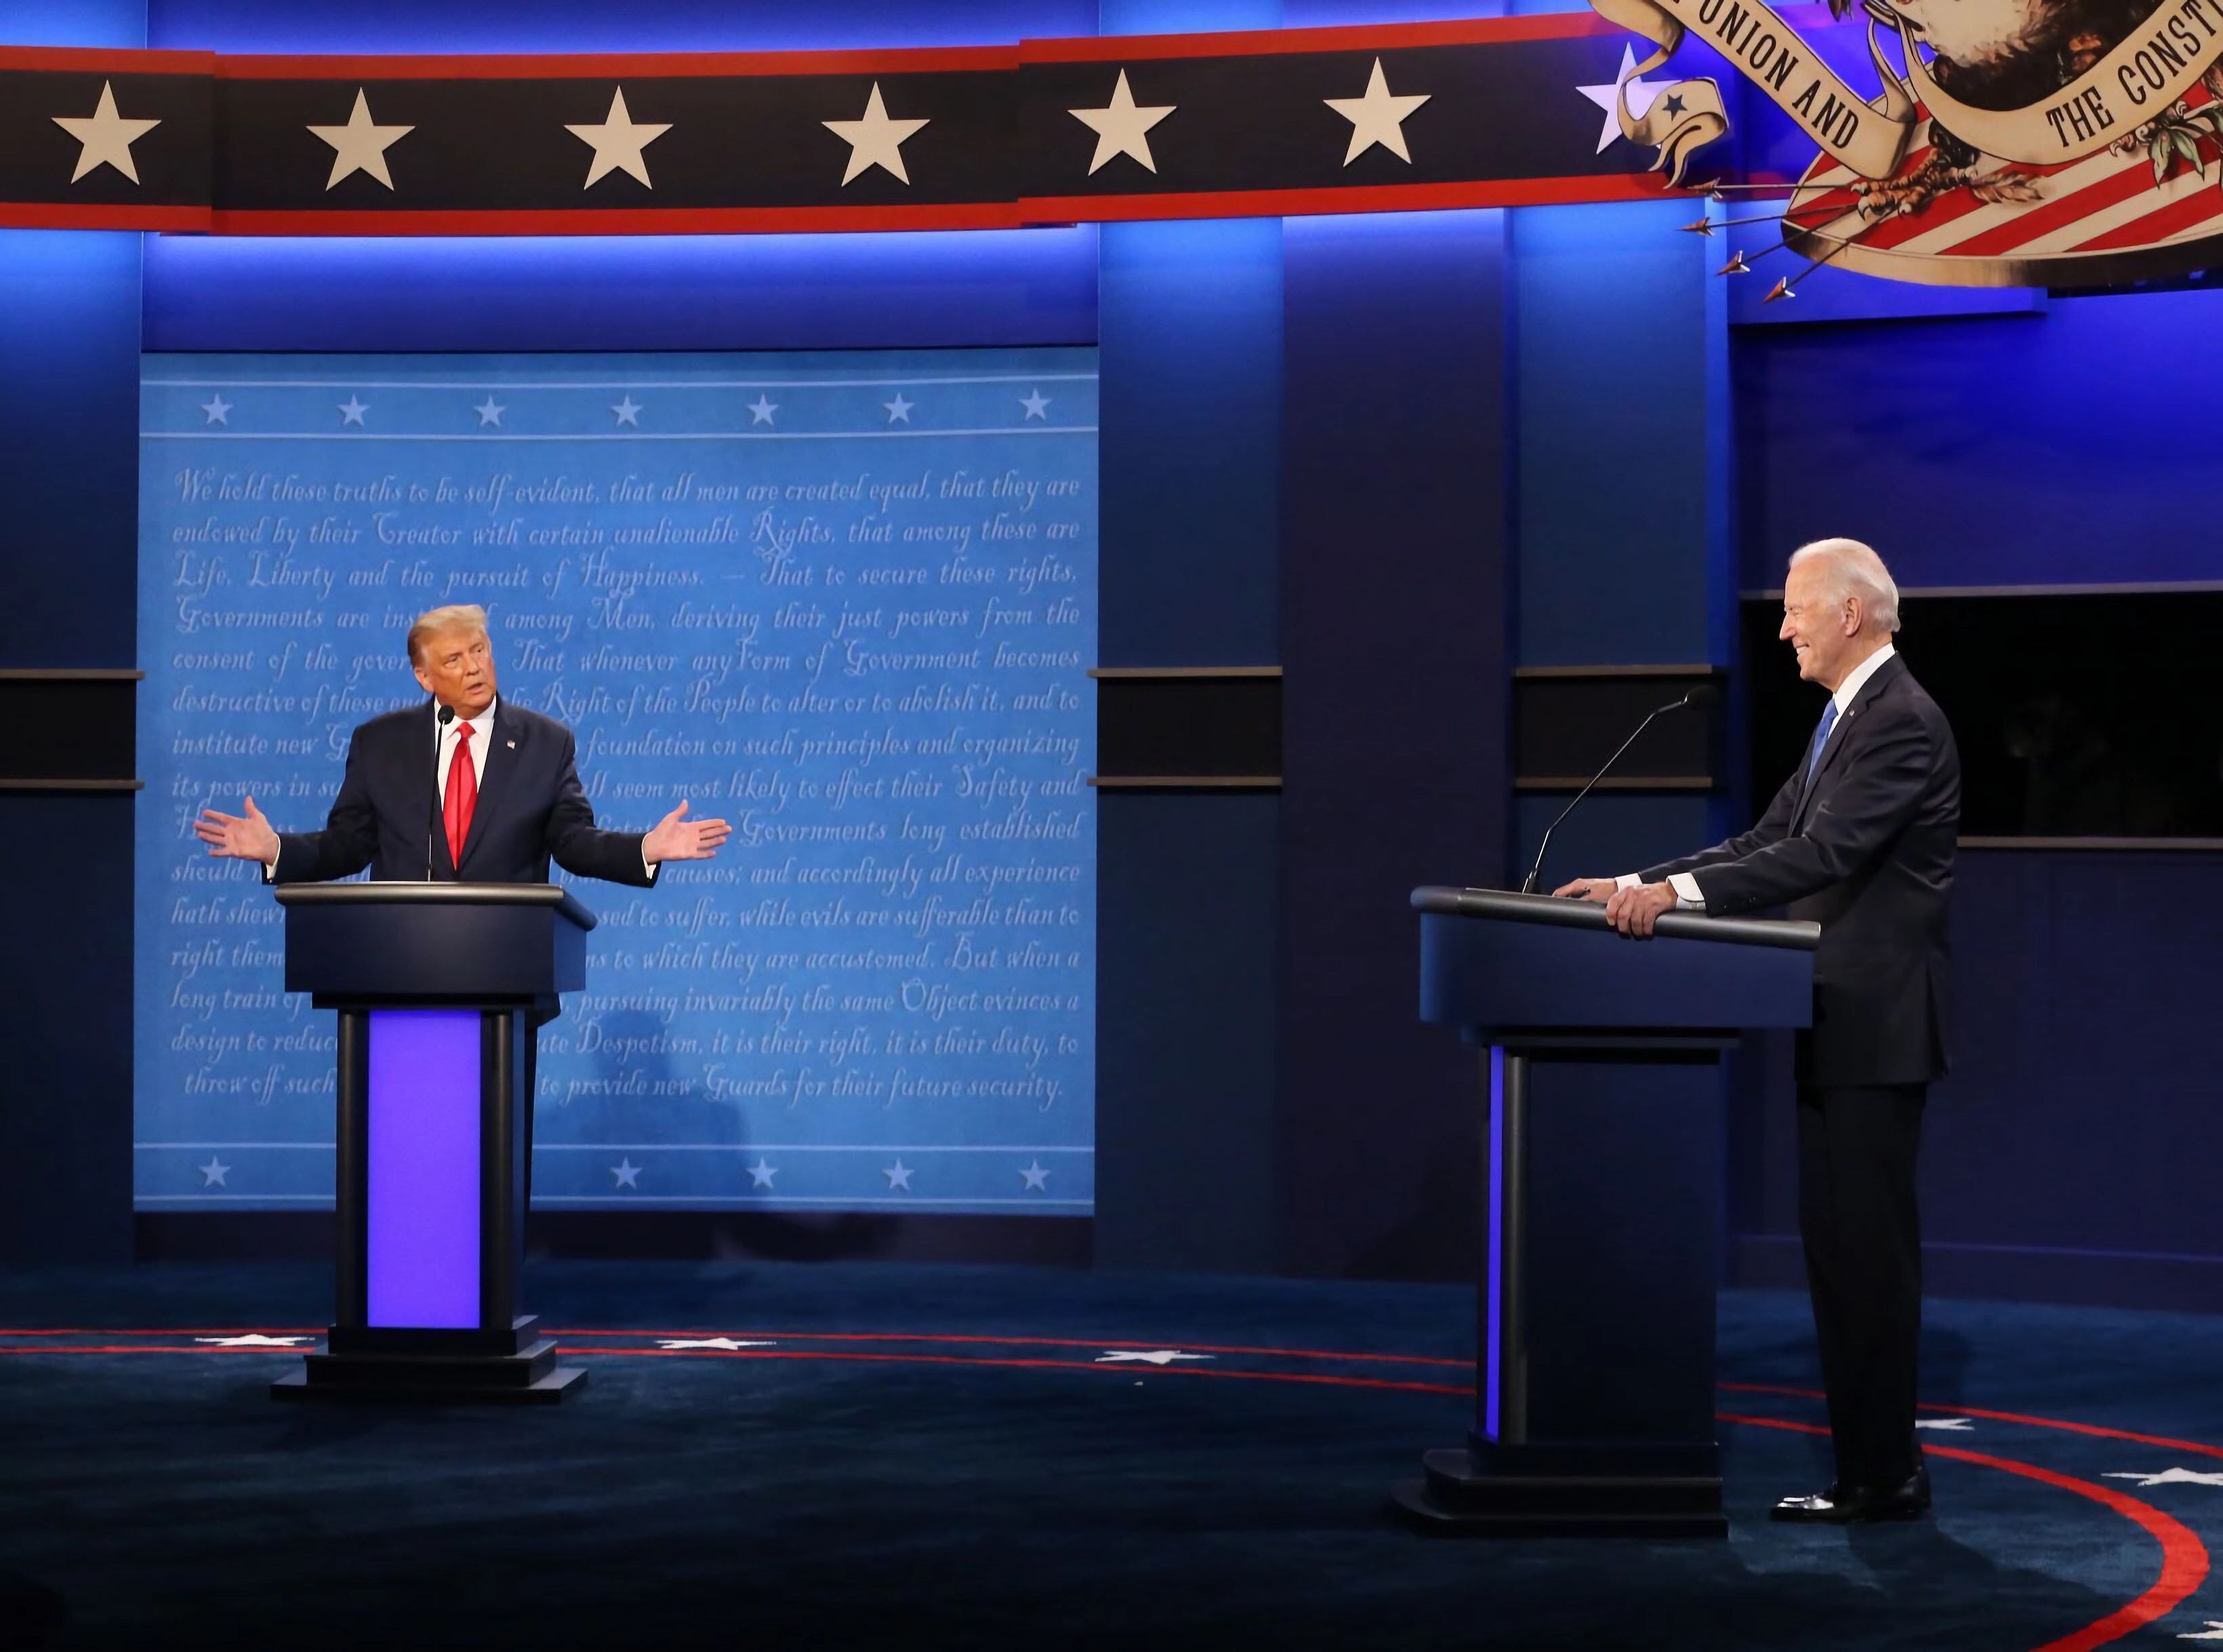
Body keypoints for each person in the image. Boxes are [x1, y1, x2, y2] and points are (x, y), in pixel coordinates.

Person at [1555, 538, 1960, 1525]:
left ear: (1850, 615)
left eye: (1794, 609)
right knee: (1839, 1255)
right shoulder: (1843, 719)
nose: (1783, 627)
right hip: (1830, 1019)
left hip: (1877, 1027)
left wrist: (1674, 894)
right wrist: (1640, 882)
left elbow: (1825, 851)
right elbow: (1762, 840)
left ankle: (1886, 1474)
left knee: (1867, 1256)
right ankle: (1869, 1469)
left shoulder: (1901, 721)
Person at [194, 603, 729, 884]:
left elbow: (573, 842)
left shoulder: (546, 743)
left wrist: (644, 850)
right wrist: (277, 851)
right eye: (454, 659)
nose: (473, 667)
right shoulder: (380, 743)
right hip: (398, 962)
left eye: (480, 649)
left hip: (508, 966)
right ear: (424, 677)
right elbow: (349, 846)